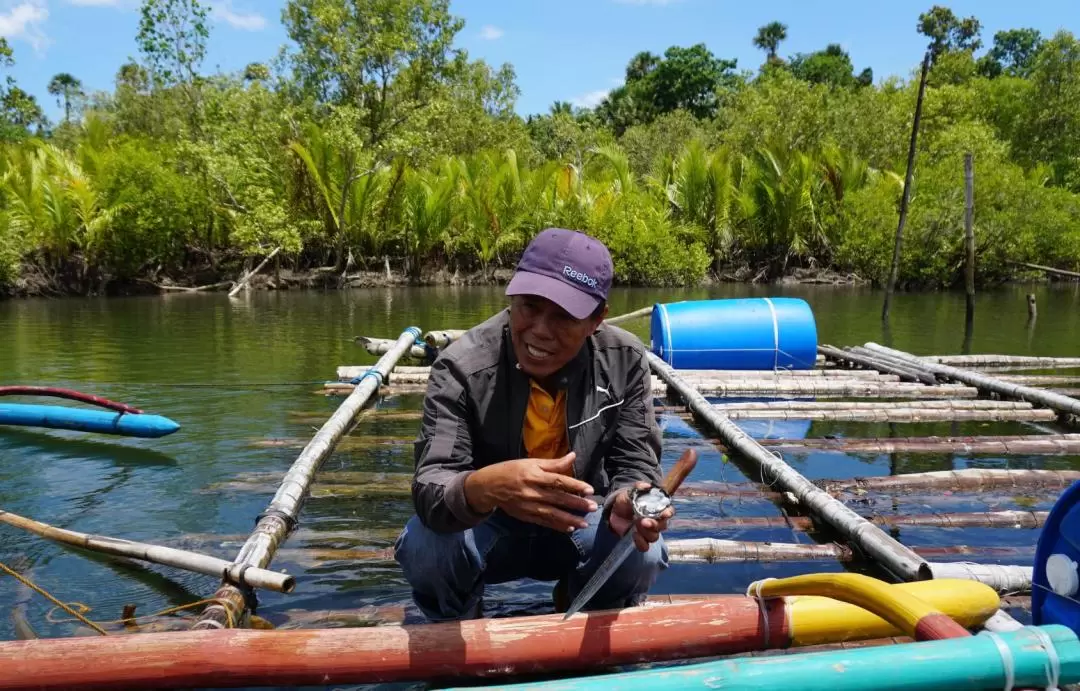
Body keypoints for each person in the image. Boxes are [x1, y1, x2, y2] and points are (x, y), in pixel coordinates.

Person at [393, 228, 684, 622]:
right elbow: (432, 485)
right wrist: (487, 485)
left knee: (641, 552)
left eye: (564, 316)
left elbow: (634, 461)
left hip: (581, 519)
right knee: (426, 546)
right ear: (512, 297)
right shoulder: (460, 365)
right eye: (529, 307)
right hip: (488, 527)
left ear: (597, 319)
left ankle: (586, 605)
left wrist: (627, 502)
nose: (540, 330)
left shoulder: (624, 359)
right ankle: (456, 616)